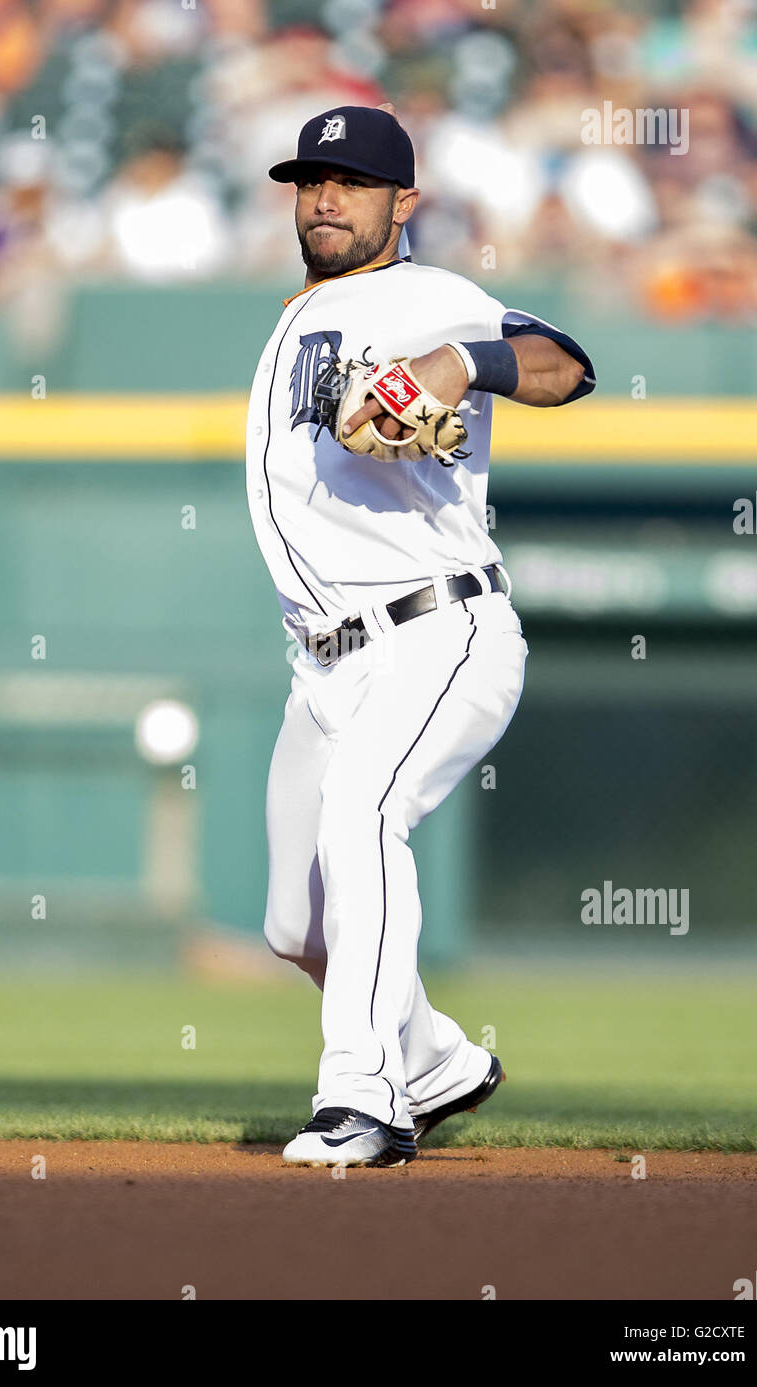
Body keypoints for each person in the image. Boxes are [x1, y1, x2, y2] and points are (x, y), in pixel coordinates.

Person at [245, 104, 595, 1167]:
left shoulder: (427, 295)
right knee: (294, 927)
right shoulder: (301, 313)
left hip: (437, 628)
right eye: (311, 180)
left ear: (403, 202)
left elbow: (565, 365)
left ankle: (364, 1099)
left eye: (352, 182)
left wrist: (457, 362)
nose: (325, 198)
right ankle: (437, 1060)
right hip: (325, 663)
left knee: (365, 814)